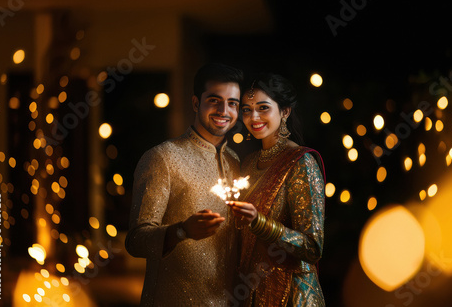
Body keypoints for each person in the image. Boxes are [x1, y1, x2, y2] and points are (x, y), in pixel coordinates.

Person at [125, 63, 244, 306]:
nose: (224, 110)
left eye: (232, 103)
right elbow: (136, 240)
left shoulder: (235, 161)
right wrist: (182, 231)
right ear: (195, 103)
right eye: (214, 100)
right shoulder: (163, 158)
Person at [227, 73, 326, 306]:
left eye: (263, 108)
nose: (254, 117)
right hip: (252, 289)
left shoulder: (300, 162)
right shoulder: (249, 163)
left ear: (285, 111)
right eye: (247, 110)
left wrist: (260, 222)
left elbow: (313, 247)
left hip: (292, 293)